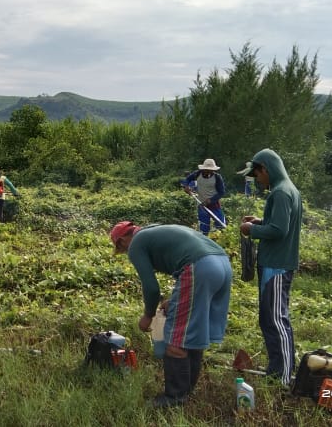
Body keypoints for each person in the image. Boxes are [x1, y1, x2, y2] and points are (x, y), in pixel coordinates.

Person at [110, 221, 233, 407]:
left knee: (176, 338)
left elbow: (151, 288)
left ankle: (175, 397)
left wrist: (148, 316)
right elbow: (182, 265)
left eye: (122, 249)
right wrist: (174, 299)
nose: (126, 252)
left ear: (121, 240)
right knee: (192, 330)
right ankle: (187, 391)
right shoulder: (155, 230)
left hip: (199, 268)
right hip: (222, 264)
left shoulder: (136, 244)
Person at [237, 149, 302, 386]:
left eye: (257, 174)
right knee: (269, 319)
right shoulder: (288, 189)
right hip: (275, 264)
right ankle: (277, 370)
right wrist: (260, 221)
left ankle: (282, 378)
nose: (257, 180)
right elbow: (278, 223)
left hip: (277, 265)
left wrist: (251, 230)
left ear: (265, 169)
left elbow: (279, 230)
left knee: (276, 321)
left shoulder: (281, 193)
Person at [181, 159, 226, 235]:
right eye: (207, 170)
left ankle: (220, 239)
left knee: (220, 225)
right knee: (204, 227)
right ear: (203, 169)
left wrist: (210, 200)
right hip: (201, 204)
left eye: (210, 170)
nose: (208, 171)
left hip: (214, 204)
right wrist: (186, 186)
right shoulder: (197, 174)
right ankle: (204, 239)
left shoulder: (217, 177)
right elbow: (187, 179)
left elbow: (221, 192)